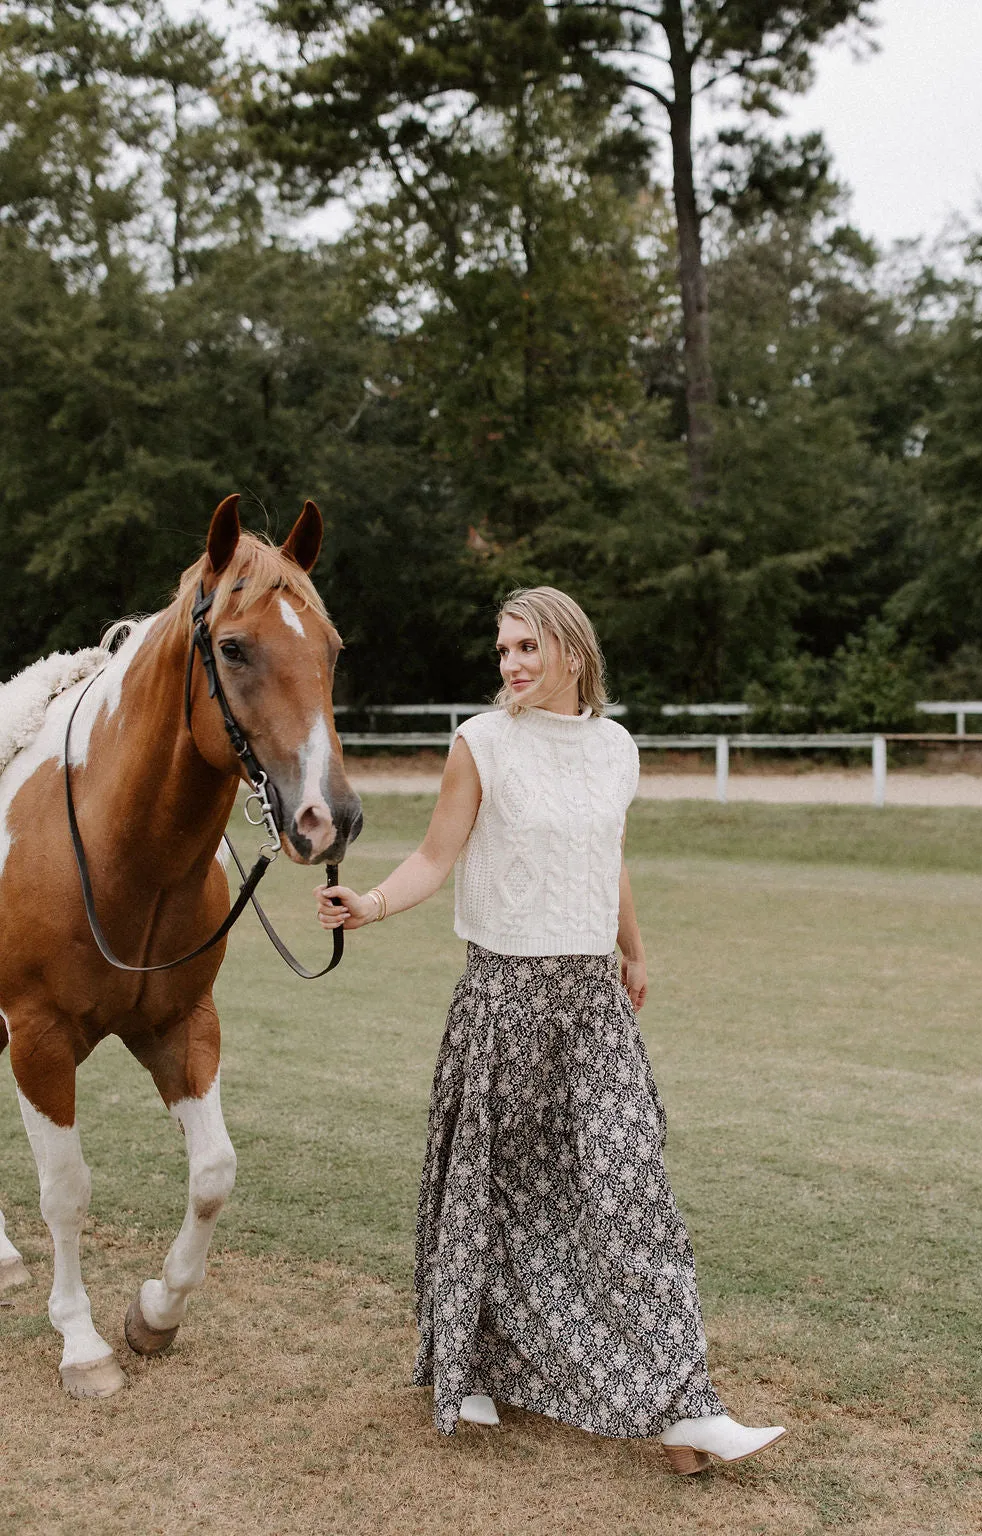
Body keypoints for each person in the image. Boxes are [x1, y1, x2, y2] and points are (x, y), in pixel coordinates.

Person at [316, 587, 785, 1475]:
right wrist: (368, 905)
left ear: (572, 652)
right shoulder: (481, 744)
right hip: (503, 997)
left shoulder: (616, 748)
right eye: (502, 651)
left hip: (592, 1002)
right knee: (491, 1194)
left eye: (527, 647)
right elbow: (434, 856)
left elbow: (606, 855)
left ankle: (685, 1403)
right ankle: (474, 1363)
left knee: (630, 1192)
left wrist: (634, 952)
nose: (511, 665)